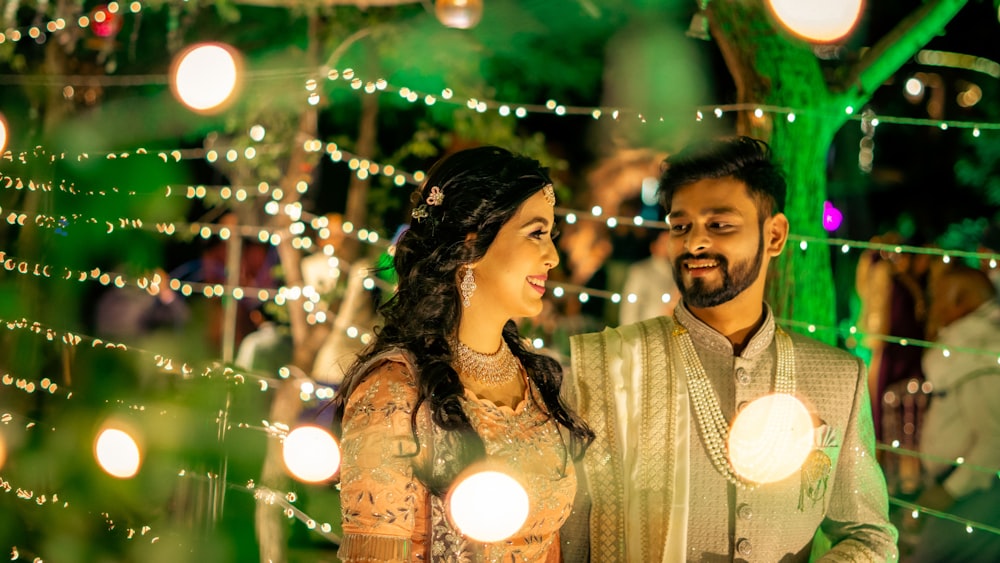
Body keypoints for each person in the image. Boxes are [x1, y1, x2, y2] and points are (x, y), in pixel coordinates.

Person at [562, 136, 898, 562]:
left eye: (719, 225)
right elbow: (569, 539)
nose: (694, 244)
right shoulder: (607, 368)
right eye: (680, 227)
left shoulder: (837, 377)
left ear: (774, 235)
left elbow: (869, 535)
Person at [332, 146, 594, 561]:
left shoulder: (534, 380)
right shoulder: (393, 392)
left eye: (551, 236)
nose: (553, 257)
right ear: (471, 245)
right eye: (536, 233)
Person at [910, 264, 1000, 563]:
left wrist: (950, 490)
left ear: (962, 301)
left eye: (937, 298)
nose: (931, 307)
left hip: (974, 492)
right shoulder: (969, 347)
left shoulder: (976, 351)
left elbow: (994, 440)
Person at [618, 228, 679, 326]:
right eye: (664, 243)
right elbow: (629, 310)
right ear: (654, 246)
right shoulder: (640, 271)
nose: (668, 248)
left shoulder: (679, 273)